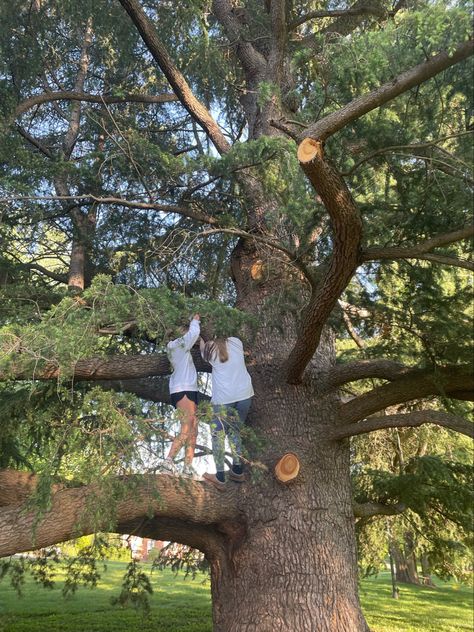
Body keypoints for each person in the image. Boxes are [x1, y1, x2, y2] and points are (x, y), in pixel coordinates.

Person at [200, 336, 254, 490]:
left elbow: (202, 352)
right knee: (235, 432)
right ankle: (237, 470)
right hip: (245, 395)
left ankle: (220, 477)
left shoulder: (209, 347)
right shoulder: (237, 341)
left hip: (225, 398)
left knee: (218, 435)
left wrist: (201, 339)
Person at [163, 314, 201, 478]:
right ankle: (168, 462)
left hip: (188, 387)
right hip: (183, 388)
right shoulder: (176, 345)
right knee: (186, 427)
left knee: (194, 429)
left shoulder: (177, 346)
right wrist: (195, 320)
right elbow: (193, 334)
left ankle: (187, 467)